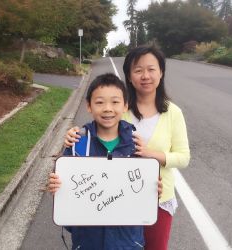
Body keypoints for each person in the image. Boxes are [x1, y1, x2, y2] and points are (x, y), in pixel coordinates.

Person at [64, 45, 190, 250]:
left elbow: (183, 157)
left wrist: (150, 154)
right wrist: (75, 135)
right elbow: (98, 133)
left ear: (161, 72)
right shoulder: (120, 106)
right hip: (116, 198)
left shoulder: (173, 112)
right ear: (129, 76)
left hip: (158, 196)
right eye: (138, 70)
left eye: (151, 69)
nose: (145, 75)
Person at [48, 73, 146, 250]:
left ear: (125, 106)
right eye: (100, 102)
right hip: (88, 241)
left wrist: (154, 191)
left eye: (115, 102)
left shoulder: (136, 145)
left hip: (127, 242)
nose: (108, 108)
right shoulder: (77, 144)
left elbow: (143, 192)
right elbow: (65, 191)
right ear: (89, 106)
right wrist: (56, 187)